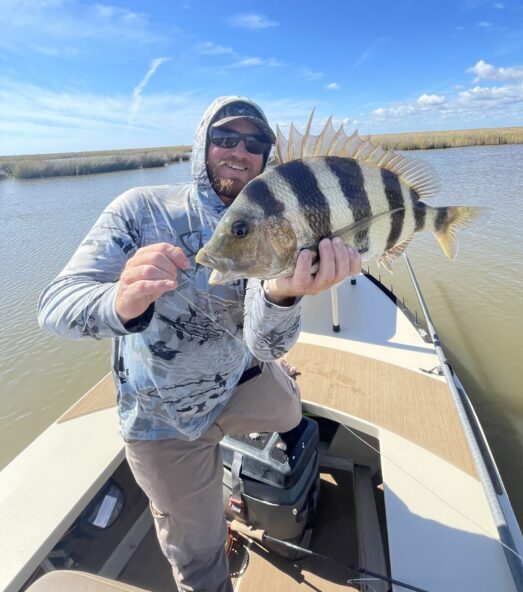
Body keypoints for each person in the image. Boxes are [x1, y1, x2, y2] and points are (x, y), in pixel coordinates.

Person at [38, 96, 361, 592]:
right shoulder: (141, 209)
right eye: (225, 137)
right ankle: (210, 523)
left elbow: (266, 341)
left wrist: (283, 293)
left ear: (265, 156)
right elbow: (54, 306)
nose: (239, 151)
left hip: (239, 378)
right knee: (198, 557)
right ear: (201, 144)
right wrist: (120, 302)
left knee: (292, 412)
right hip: (161, 420)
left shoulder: (277, 220)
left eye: (255, 142)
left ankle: (250, 442)